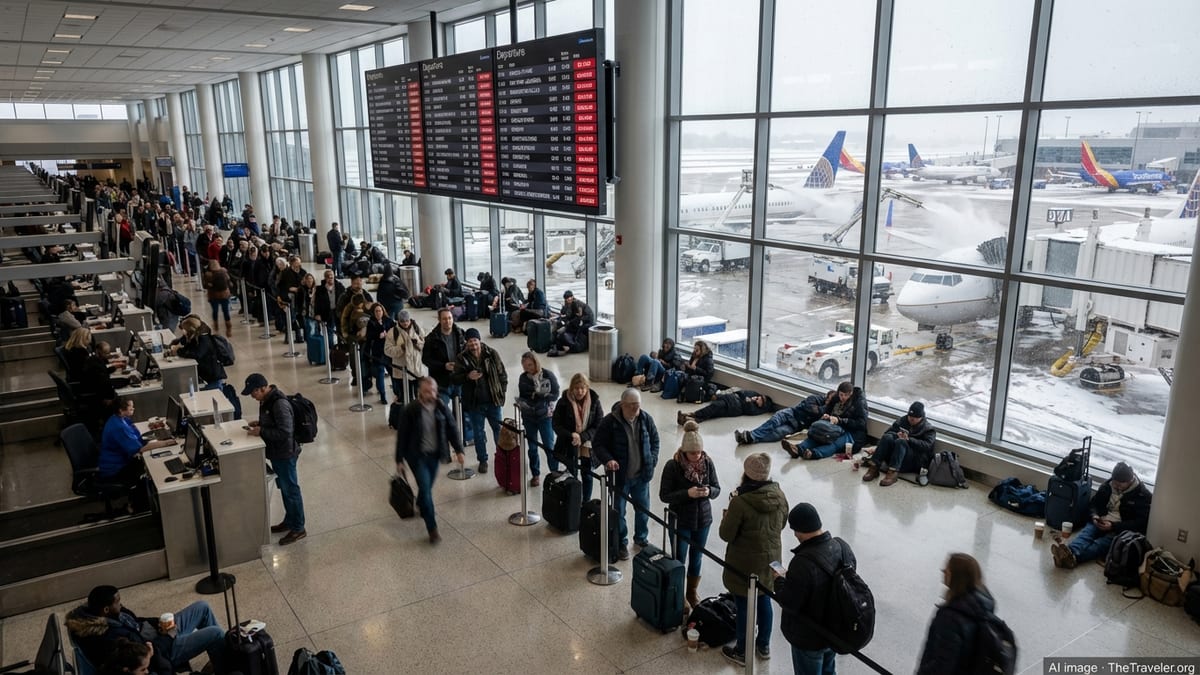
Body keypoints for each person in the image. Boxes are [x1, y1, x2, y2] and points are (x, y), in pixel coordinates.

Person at [718, 452, 788, 665]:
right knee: (765, 599)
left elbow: (726, 534)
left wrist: (726, 517)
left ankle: (742, 650)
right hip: (771, 559)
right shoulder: (779, 495)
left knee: (743, 605)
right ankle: (764, 645)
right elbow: (782, 523)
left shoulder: (740, 501)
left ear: (746, 474)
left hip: (744, 563)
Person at [772, 503, 858, 674]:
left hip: (809, 638)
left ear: (798, 531)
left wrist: (780, 581)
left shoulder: (802, 563)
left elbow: (789, 603)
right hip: (834, 631)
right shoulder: (842, 547)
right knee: (829, 670)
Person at [66, 585, 225, 675]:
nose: (121, 604)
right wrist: (169, 636)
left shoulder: (112, 615)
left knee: (202, 607)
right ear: (106, 609)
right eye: (118, 602)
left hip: (157, 634)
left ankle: (220, 658)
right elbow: (146, 654)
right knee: (215, 634)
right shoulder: (109, 636)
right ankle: (226, 667)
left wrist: (159, 623)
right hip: (163, 650)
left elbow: (137, 621)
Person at [659, 420, 721, 614]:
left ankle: (692, 592)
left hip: (703, 520)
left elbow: (717, 488)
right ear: (684, 451)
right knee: (679, 558)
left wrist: (708, 491)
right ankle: (678, 593)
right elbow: (664, 495)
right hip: (680, 520)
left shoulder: (707, 463)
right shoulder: (673, 466)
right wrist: (688, 494)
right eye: (693, 453)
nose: (697, 456)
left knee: (697, 558)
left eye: (700, 452)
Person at [394, 377, 466, 544]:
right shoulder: (410, 410)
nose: (431, 394)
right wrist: (399, 459)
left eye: (433, 391)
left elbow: (452, 428)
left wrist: (459, 450)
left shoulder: (441, 407)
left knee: (426, 487)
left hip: (434, 455)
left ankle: (421, 502)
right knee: (426, 489)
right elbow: (402, 435)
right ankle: (432, 528)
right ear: (420, 391)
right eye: (427, 391)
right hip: (416, 456)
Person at [592, 388, 660, 560]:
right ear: (623, 405)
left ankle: (641, 538)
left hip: (641, 476)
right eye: (632, 406)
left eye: (638, 406)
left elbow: (655, 441)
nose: (635, 410)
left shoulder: (645, 419)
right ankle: (622, 542)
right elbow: (598, 444)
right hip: (619, 478)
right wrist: (608, 460)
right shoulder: (610, 422)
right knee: (619, 512)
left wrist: (651, 460)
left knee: (643, 510)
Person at [1051, 461, 1152, 569]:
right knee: (1086, 534)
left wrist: (1114, 526)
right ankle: (1070, 552)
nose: (1116, 486)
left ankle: (1072, 557)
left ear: (1130, 480)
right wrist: (1094, 515)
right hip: (1101, 520)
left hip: (1120, 528)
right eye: (1115, 483)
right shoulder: (1107, 486)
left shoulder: (1142, 495)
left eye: (1120, 484)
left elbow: (1140, 522)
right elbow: (1093, 504)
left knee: (1100, 544)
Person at [244, 373, 306, 545]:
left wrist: (262, 431)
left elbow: (285, 432)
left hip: (285, 453)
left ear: (263, 388)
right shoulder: (266, 400)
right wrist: (260, 424)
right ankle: (290, 520)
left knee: (291, 490)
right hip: (277, 452)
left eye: (253, 392)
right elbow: (275, 424)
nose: (252, 396)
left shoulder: (279, 403)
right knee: (285, 489)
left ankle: (299, 528)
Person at [916, 553, 1003, 674]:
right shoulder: (981, 606)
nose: (943, 570)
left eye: (947, 569)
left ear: (956, 577)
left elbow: (942, 665)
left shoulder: (950, 618)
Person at [453, 327, 508, 474]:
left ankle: (502, 457)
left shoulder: (491, 354)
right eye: (470, 341)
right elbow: (455, 378)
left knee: (498, 430)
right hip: (475, 403)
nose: (473, 344)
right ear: (467, 342)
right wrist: (467, 377)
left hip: (493, 401)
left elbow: (502, 374)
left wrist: (502, 393)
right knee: (478, 433)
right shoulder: (461, 358)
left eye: (475, 341)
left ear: (479, 340)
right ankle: (482, 460)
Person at [99, 397, 178, 489]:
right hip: (115, 469)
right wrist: (165, 443)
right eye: (131, 408)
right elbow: (139, 449)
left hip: (120, 461)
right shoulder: (118, 427)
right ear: (121, 410)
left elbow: (135, 433)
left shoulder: (119, 418)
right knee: (154, 469)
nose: (134, 409)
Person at [170, 316, 240, 419]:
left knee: (214, 405)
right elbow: (186, 344)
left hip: (213, 377)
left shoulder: (203, 339)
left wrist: (178, 351)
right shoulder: (196, 337)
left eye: (184, 330)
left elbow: (197, 354)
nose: (182, 332)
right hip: (208, 376)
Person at [783, 381, 868, 460]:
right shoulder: (836, 398)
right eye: (841, 395)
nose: (843, 398)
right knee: (818, 435)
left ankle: (813, 453)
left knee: (835, 443)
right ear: (838, 392)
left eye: (846, 395)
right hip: (834, 426)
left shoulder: (859, 403)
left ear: (851, 394)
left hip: (852, 432)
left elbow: (861, 423)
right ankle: (798, 449)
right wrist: (827, 416)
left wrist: (840, 420)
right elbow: (828, 410)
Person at [552, 373, 603, 502]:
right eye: (576, 388)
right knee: (571, 474)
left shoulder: (595, 401)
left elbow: (599, 424)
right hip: (569, 444)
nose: (580, 391)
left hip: (587, 444)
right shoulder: (563, 402)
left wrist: (583, 436)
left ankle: (586, 501)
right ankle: (572, 502)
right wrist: (571, 435)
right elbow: (556, 424)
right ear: (571, 388)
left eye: (583, 388)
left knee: (587, 475)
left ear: (587, 388)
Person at [862, 401, 938, 487]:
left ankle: (892, 473)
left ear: (921, 417)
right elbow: (888, 433)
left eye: (914, 418)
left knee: (901, 441)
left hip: (914, 460)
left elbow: (927, 446)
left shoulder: (928, 429)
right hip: (896, 455)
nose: (911, 420)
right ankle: (874, 467)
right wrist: (896, 435)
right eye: (910, 417)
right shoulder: (903, 420)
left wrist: (909, 440)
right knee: (888, 437)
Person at [516, 351, 559, 485]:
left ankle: (554, 472)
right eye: (525, 366)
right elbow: (523, 395)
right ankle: (536, 474)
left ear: (535, 362)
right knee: (532, 447)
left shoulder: (547, 375)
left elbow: (556, 394)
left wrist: (543, 395)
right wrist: (522, 402)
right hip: (529, 417)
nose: (528, 368)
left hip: (545, 416)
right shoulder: (523, 378)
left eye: (530, 365)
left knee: (549, 446)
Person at [734, 391, 828, 446]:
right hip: (791, 413)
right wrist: (825, 408)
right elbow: (810, 409)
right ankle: (750, 436)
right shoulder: (815, 398)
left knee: (777, 434)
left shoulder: (827, 413)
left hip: (796, 426)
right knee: (774, 421)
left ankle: (750, 437)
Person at [422, 306, 467, 406]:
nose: (448, 321)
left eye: (450, 318)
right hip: (441, 382)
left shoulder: (460, 334)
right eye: (444, 319)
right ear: (439, 320)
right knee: (441, 412)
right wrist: (444, 366)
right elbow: (426, 359)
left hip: (458, 379)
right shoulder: (432, 338)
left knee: (461, 413)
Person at [384, 310, 426, 403]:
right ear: (398, 321)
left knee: (419, 397)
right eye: (402, 321)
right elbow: (387, 350)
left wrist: (417, 343)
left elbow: (424, 344)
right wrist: (401, 348)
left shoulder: (417, 329)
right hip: (401, 372)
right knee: (404, 398)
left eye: (407, 321)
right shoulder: (393, 332)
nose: (405, 323)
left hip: (416, 370)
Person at [680, 389, 773, 426]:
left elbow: (748, 410)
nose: (758, 399)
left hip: (734, 407)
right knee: (713, 409)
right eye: (760, 398)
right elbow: (741, 393)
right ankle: (692, 418)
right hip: (730, 399)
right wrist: (746, 400)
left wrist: (748, 401)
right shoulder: (754, 394)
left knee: (715, 408)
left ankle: (692, 416)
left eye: (760, 400)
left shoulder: (757, 409)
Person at [364, 302, 395, 405]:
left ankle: (397, 392)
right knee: (380, 373)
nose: (378, 313)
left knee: (393, 373)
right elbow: (369, 336)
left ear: (383, 311)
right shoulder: (371, 322)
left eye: (380, 311)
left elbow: (395, 331)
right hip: (378, 353)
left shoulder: (389, 321)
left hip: (389, 352)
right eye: (376, 311)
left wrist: (388, 334)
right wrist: (378, 335)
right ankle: (382, 395)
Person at [549, 290, 595, 356]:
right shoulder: (570, 304)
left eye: (568, 298)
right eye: (566, 299)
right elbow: (567, 314)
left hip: (586, 322)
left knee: (565, 328)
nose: (567, 300)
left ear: (572, 297)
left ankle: (562, 346)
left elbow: (579, 316)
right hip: (581, 321)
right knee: (562, 327)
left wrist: (568, 323)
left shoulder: (577, 304)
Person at [202, 259, 233, 337]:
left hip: (213, 296)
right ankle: (228, 328)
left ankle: (216, 328)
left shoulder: (208, 274)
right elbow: (230, 283)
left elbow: (205, 286)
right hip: (224, 295)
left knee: (215, 311)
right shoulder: (224, 271)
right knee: (226, 311)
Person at [314, 269, 345, 345]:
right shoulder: (320, 289)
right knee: (329, 330)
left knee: (340, 330)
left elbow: (344, 299)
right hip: (327, 312)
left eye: (331, 275)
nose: (330, 277)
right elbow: (317, 302)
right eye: (328, 276)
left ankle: (341, 346)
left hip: (338, 311)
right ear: (325, 278)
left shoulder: (339, 286)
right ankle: (330, 348)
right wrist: (317, 314)